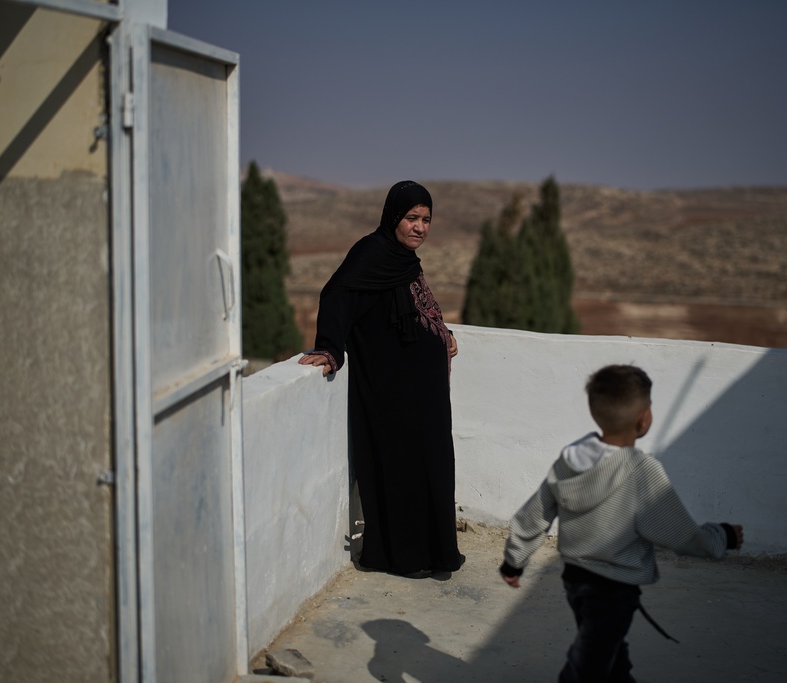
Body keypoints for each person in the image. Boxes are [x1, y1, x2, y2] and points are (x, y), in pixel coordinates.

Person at [499, 364, 744, 683]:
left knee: (608, 658)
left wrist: (514, 561)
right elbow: (680, 534)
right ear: (644, 418)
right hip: (614, 590)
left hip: (575, 580)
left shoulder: (569, 461)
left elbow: (535, 513)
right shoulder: (641, 470)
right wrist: (722, 536)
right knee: (587, 668)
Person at [299, 180, 464, 578]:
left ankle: (435, 553)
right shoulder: (371, 253)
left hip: (423, 394)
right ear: (393, 217)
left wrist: (442, 334)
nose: (419, 227)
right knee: (400, 469)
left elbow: (417, 310)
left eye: (426, 220)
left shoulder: (405, 261)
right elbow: (336, 295)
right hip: (391, 391)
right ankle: (403, 557)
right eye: (411, 218)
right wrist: (330, 348)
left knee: (432, 466)